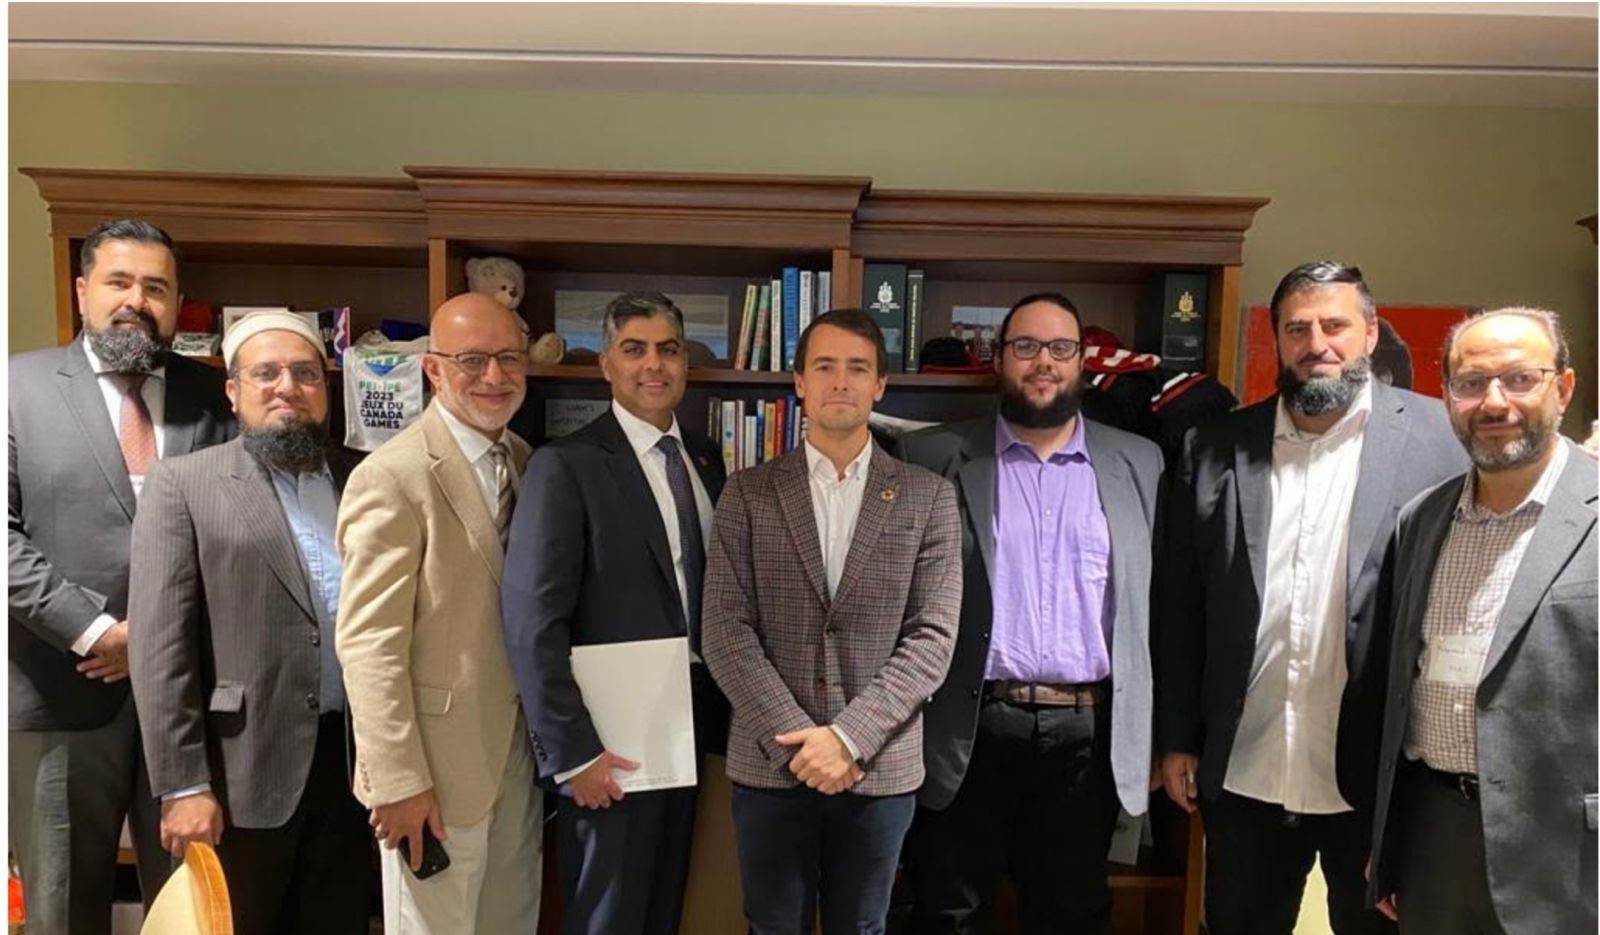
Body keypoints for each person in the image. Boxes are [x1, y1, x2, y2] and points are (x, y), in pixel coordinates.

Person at [1155, 262, 1464, 934]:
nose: (1316, 341)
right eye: (1297, 327)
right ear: (1278, 339)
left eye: (1334, 325)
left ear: (1371, 333)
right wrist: (1178, 737)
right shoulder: (1214, 446)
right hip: (1247, 766)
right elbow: (1181, 606)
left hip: (1375, 778)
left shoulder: (1443, 442)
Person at [899, 292, 1164, 934]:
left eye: (1060, 348)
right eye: (1026, 347)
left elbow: (1159, 613)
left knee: (1072, 914)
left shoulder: (1141, 463)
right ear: (999, 359)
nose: (1043, 362)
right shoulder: (931, 458)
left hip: (1086, 734)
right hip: (968, 728)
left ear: (1081, 362)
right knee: (948, 914)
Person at [702, 309, 962, 935]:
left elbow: (932, 638)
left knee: (863, 927)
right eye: (824, 367)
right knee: (771, 926)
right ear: (798, 383)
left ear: (880, 385)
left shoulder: (929, 497)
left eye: (857, 368)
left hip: (877, 765)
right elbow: (724, 629)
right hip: (772, 762)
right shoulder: (747, 492)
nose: (840, 382)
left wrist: (846, 739)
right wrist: (801, 740)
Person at [8, 218, 234, 932]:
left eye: (156, 287)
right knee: (61, 908)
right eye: (119, 281)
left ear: (177, 303)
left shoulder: (213, 399)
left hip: (193, 707)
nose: (137, 300)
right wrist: (100, 630)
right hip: (62, 697)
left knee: (190, 907)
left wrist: (162, 639)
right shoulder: (17, 387)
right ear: (82, 292)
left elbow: (241, 537)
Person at [128, 311, 370, 934]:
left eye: (305, 373)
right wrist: (182, 786)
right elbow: (160, 651)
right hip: (238, 777)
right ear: (233, 391)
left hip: (354, 770)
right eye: (266, 373)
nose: (287, 386)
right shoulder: (183, 484)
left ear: (326, 386)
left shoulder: (362, 478)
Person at [502, 291, 727, 935]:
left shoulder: (705, 461)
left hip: (692, 726)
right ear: (606, 364)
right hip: (608, 743)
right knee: (607, 915)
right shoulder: (565, 465)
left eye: (668, 349)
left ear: (685, 363)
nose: (653, 364)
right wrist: (574, 755)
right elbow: (531, 621)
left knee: (665, 906)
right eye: (635, 349)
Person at [1369, 307, 1595, 934]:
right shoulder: (1421, 517)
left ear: (1564, 388)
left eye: (1520, 379)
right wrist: (1390, 847)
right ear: (1447, 398)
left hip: (1569, 852)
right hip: (1434, 833)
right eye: (1471, 384)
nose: (1494, 402)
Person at [336, 292, 542, 933]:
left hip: (516, 762)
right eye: (472, 359)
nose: (494, 377)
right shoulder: (393, 476)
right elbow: (368, 643)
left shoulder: (528, 461)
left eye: (509, 358)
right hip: (434, 775)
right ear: (432, 369)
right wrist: (395, 782)